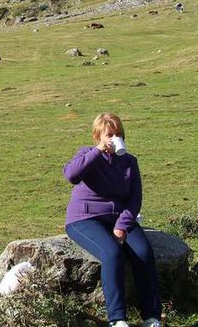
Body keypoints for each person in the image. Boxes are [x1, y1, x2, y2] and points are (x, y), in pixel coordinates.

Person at [63, 112, 162, 327]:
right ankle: (117, 319)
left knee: (144, 253)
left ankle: (152, 316)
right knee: (112, 253)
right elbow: (71, 175)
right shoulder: (87, 154)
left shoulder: (129, 161)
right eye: (109, 134)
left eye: (118, 134)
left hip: (119, 217)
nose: (114, 138)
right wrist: (98, 152)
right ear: (98, 136)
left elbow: (135, 198)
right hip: (84, 218)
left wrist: (122, 225)